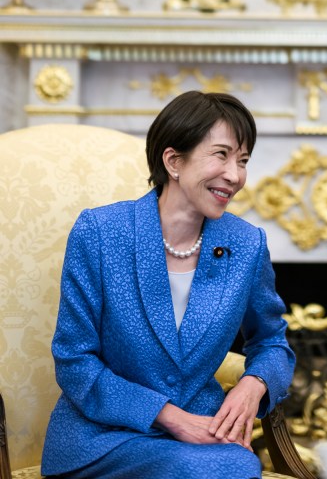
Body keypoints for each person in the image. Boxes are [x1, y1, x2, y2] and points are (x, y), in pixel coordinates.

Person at [41, 91, 295, 479]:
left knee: (236, 464)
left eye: (243, 161)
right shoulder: (100, 232)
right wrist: (170, 418)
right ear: (173, 160)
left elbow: (272, 341)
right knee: (228, 468)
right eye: (222, 154)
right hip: (103, 438)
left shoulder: (246, 244)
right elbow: (75, 360)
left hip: (201, 435)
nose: (235, 175)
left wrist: (254, 383)